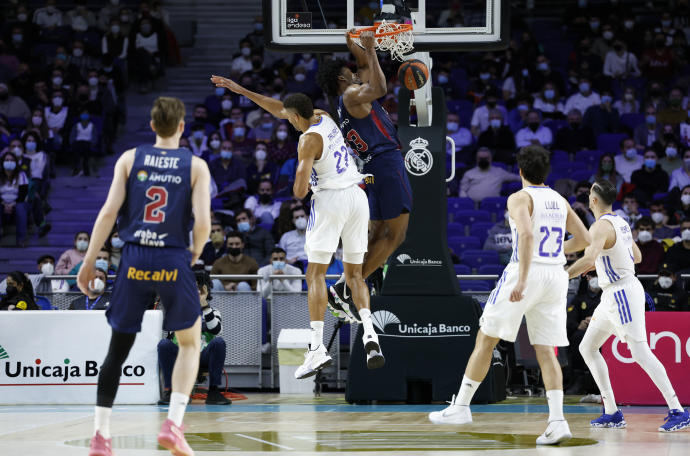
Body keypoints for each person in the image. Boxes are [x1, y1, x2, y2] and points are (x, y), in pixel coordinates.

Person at [211, 68, 385, 377]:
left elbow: (299, 192)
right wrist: (242, 90)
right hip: (357, 197)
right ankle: (371, 334)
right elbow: (278, 107)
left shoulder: (307, 142)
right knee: (355, 274)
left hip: (330, 200)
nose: (286, 120)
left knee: (314, 274)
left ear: (295, 118)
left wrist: (299, 178)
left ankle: (317, 348)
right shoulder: (322, 116)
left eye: (289, 118)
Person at [429, 146, 591, 445]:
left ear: (520, 171)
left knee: (486, 338)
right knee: (546, 350)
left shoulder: (519, 197)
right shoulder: (560, 199)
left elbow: (528, 235)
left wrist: (524, 277)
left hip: (525, 272)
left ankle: (461, 407)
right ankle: (557, 421)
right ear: (546, 172)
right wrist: (555, 252)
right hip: (555, 275)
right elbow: (583, 239)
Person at [76, 97, 211, 456]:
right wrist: (195, 252)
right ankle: (173, 425)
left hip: (134, 257)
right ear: (181, 127)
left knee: (117, 351)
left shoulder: (129, 158)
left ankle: (100, 437)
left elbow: (108, 214)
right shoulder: (195, 165)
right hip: (172, 257)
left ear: (152, 126)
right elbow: (203, 223)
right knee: (189, 344)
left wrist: (90, 261)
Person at [565, 179, 689, 432]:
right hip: (613, 293)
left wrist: (563, 274)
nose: (588, 196)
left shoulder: (600, 226)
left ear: (594, 200)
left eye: (590, 193)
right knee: (588, 347)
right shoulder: (621, 222)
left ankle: (678, 410)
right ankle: (611, 411)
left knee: (640, 352)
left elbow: (589, 257)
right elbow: (638, 256)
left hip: (621, 292)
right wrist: (604, 261)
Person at [314, 30, 414, 320]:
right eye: (351, 72)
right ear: (343, 79)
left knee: (378, 233)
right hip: (386, 163)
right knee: (397, 235)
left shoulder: (344, 103)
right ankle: (345, 289)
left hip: (371, 169)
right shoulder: (352, 95)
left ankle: (349, 286)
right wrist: (370, 50)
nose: (357, 73)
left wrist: (356, 44)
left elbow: (365, 69)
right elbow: (380, 86)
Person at [158, 271, 231, 406]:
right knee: (163, 344)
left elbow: (216, 330)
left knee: (219, 342)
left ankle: (214, 392)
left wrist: (204, 305)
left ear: (207, 291)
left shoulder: (213, 311)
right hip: (182, 354)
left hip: (203, 355)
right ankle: (172, 391)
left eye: (200, 288)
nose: (196, 292)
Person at [565, 271, 601, 395]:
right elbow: (570, 319)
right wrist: (579, 324)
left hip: (602, 331)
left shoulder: (606, 297)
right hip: (583, 332)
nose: (594, 279)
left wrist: (595, 320)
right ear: (588, 278)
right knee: (577, 338)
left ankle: (598, 384)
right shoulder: (580, 298)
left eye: (597, 276)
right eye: (592, 276)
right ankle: (578, 381)